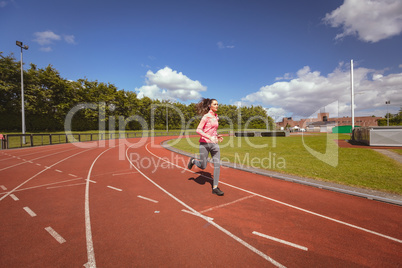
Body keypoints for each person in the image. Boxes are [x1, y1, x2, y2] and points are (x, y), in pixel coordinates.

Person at [188, 98, 224, 196]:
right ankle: (193, 161)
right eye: (215, 104)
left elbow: (213, 130)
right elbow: (198, 130)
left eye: (217, 104)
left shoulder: (216, 117)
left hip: (214, 144)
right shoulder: (206, 117)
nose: (217, 106)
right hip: (204, 144)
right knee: (203, 166)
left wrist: (216, 136)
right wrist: (209, 137)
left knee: (217, 165)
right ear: (210, 106)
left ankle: (215, 188)